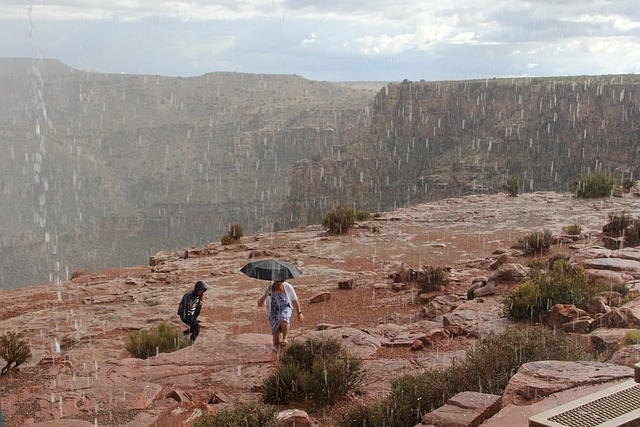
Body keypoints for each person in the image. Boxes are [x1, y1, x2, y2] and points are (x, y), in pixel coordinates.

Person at [257, 280, 304, 349]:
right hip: (273, 312)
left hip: (286, 307)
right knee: (276, 337)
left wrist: (299, 313)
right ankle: (277, 353)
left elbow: (295, 300)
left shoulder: (288, 287)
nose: (279, 283)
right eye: (277, 282)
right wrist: (265, 295)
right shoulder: (269, 289)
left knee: (283, 317)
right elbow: (259, 304)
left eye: (281, 281)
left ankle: (285, 337)